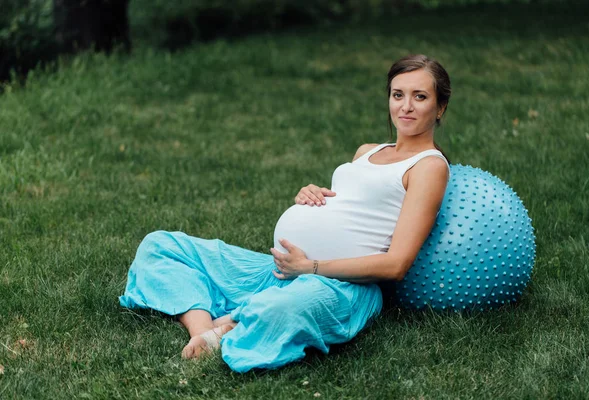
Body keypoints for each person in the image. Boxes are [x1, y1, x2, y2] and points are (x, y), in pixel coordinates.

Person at [119, 54, 452, 373]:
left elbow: (396, 265)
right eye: (398, 94)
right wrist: (313, 194)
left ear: (440, 108)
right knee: (160, 245)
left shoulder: (428, 167)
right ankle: (203, 327)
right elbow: (353, 205)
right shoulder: (368, 151)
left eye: (419, 96)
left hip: (342, 287)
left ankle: (232, 325)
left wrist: (312, 267)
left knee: (286, 308)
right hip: (280, 270)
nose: (405, 106)